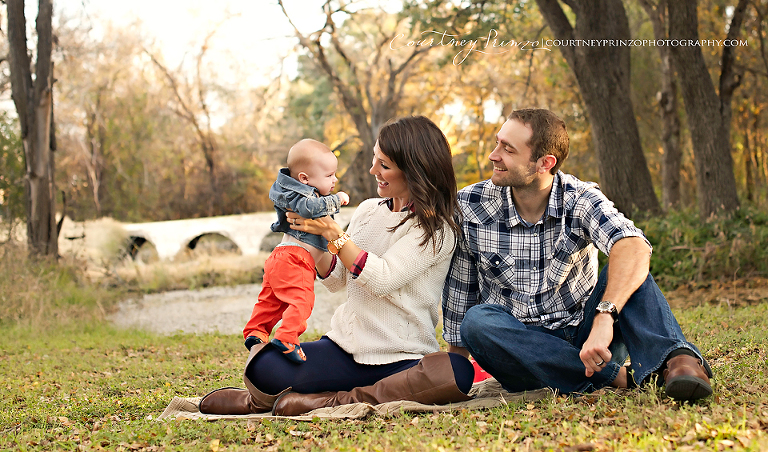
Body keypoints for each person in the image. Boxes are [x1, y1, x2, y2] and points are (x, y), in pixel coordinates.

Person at [199, 116, 475, 416]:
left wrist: (333, 233)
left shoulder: (436, 229)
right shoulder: (369, 211)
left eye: (383, 165)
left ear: (413, 170)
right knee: (264, 365)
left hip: (401, 356)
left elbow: (382, 278)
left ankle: (334, 401)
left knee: (457, 371)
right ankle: (305, 397)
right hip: (345, 348)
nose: (373, 170)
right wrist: (307, 236)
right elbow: (337, 278)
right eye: (374, 159)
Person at [442, 108, 713, 401]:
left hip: (590, 341)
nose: (493, 155)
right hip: (521, 349)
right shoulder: (469, 206)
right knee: (477, 321)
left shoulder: (580, 198)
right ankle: (620, 378)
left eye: (508, 149)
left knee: (629, 264)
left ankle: (678, 361)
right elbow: (462, 296)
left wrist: (604, 317)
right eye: (498, 143)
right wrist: (455, 373)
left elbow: (633, 246)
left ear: (545, 163)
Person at [242, 139, 350, 363]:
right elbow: (312, 209)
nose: (335, 179)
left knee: (271, 301)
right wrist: (336, 200)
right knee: (302, 300)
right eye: (330, 175)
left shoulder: (290, 191)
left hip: (279, 255)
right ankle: (287, 337)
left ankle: (256, 331)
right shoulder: (308, 199)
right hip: (297, 259)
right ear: (304, 178)